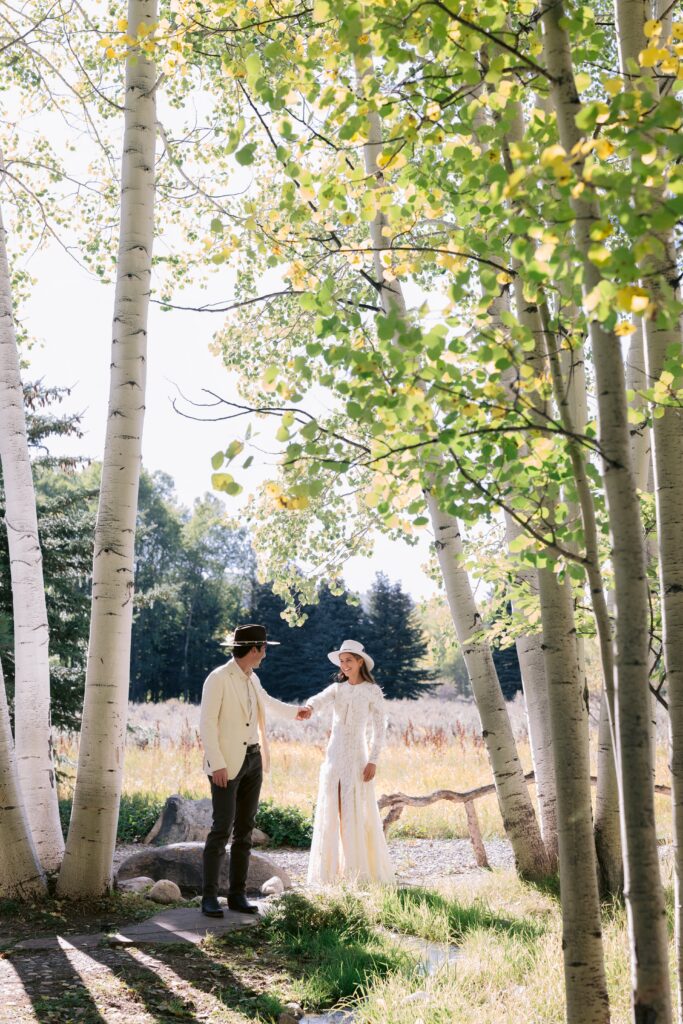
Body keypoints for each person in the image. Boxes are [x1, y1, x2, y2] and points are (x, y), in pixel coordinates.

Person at [199, 623, 304, 917]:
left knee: (245, 831)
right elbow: (206, 723)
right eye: (264, 648)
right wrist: (217, 763)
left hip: (254, 760)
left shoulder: (252, 678)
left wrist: (296, 712)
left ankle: (237, 895)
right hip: (226, 765)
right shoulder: (218, 678)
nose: (265, 654)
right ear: (254, 649)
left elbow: (267, 703)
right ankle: (208, 898)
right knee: (221, 830)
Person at [303, 639, 395, 886]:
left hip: (357, 758)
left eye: (349, 661)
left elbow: (380, 728)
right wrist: (309, 708)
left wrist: (373, 760)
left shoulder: (371, 691)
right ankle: (332, 874)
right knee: (334, 809)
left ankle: (357, 873)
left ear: (360, 662)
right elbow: (319, 699)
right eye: (342, 661)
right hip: (333, 757)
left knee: (355, 811)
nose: (344, 665)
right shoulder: (337, 689)